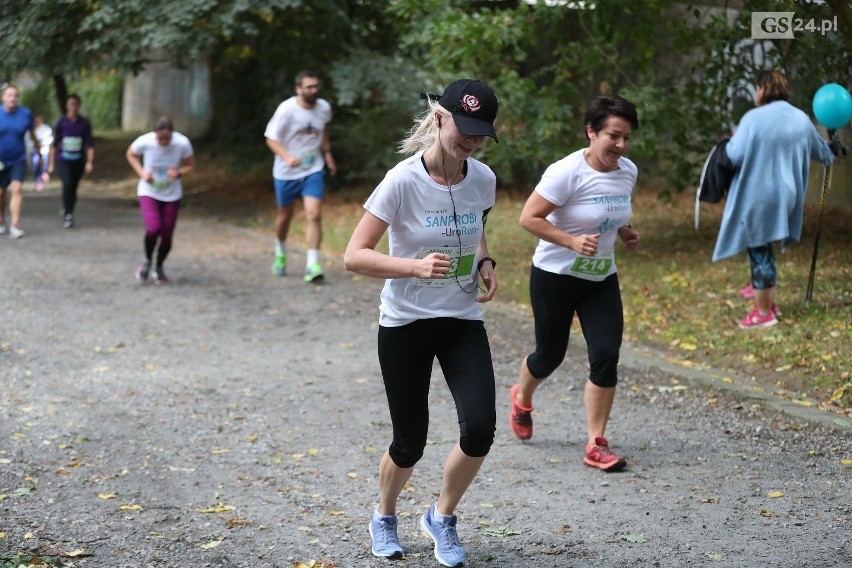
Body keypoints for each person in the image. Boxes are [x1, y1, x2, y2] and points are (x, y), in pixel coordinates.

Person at [343, 79, 499, 567]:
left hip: (460, 318)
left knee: (480, 428)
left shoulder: (483, 180)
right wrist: (413, 266)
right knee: (409, 442)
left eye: (480, 133)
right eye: (464, 129)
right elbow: (353, 256)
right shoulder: (401, 181)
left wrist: (486, 263)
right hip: (406, 322)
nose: (470, 141)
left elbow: (474, 231)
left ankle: (442, 517)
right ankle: (385, 515)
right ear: (439, 118)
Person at [509, 95, 640, 473]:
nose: (620, 145)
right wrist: (569, 241)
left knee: (606, 353)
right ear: (591, 132)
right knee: (549, 355)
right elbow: (528, 218)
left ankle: (596, 442)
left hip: (600, 277)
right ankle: (522, 396)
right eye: (613, 136)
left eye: (626, 138)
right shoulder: (565, 172)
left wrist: (625, 231)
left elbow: (608, 213)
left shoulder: (626, 171)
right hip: (556, 277)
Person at [713, 70, 834, 329]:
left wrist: (724, 144)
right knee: (762, 246)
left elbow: (733, 155)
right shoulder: (801, 118)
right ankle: (766, 299)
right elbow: (823, 154)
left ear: (762, 88)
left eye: (757, 87)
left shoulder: (753, 119)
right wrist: (833, 146)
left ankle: (764, 312)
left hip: (758, 194)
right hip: (787, 195)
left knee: (759, 250)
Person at [264, 70, 337, 282]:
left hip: (312, 169)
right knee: (284, 216)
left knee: (314, 214)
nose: (314, 90)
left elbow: (324, 129)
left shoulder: (323, 108)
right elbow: (270, 138)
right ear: (298, 89)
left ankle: (312, 264)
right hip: (286, 172)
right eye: (309, 87)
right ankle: (280, 252)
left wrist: (328, 154)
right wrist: (287, 157)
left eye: (316, 86)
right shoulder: (287, 109)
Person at [125, 117, 195, 285]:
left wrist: (179, 173)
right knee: (153, 228)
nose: (163, 142)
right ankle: (147, 260)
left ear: (173, 134)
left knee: (167, 235)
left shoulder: (182, 143)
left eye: (167, 138)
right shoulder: (146, 141)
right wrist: (142, 173)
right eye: (160, 138)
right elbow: (131, 154)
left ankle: (159, 266)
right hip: (149, 191)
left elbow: (190, 164)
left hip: (172, 194)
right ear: (154, 134)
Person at [0, 84, 41, 238]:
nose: (13, 99)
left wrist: (38, 151)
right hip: (0, 160)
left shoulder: (25, 114)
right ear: (3, 97)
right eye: (9, 95)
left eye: (15, 95)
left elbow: (32, 134)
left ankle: (15, 225)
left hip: (18, 158)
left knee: (17, 189)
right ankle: (1, 219)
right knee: (1, 192)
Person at [48, 94, 95, 228]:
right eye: (71, 104)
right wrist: (51, 164)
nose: (73, 107)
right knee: (67, 183)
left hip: (79, 160)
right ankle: (68, 214)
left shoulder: (84, 123)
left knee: (73, 187)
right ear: (67, 106)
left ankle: (69, 210)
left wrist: (90, 162)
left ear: (78, 105)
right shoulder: (61, 122)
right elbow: (55, 144)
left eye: (75, 104)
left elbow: (90, 144)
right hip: (63, 159)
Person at [26, 113, 53, 191]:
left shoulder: (46, 129)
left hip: (44, 151)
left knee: (42, 165)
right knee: (35, 165)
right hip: (33, 151)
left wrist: (39, 142)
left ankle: (42, 175)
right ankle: (39, 179)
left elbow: (48, 140)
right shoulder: (30, 130)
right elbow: (28, 141)